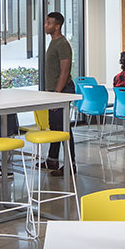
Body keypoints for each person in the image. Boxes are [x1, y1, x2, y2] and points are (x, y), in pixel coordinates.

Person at [41, 11, 77, 177]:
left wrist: (57, 95)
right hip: (53, 92)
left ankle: (70, 164)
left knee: (63, 128)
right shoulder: (53, 42)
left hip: (61, 91)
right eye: (46, 22)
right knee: (55, 127)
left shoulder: (62, 44)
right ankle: (52, 159)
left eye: (49, 23)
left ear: (57, 26)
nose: (45, 25)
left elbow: (64, 71)